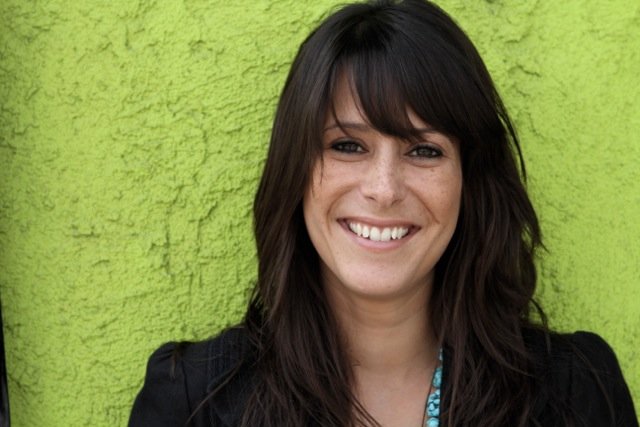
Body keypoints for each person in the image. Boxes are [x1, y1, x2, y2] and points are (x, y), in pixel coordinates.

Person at [128, 1, 638, 426]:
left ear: (470, 181)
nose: (384, 189)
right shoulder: (192, 402)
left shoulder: (575, 395)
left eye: (424, 150)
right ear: (294, 169)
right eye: (347, 145)